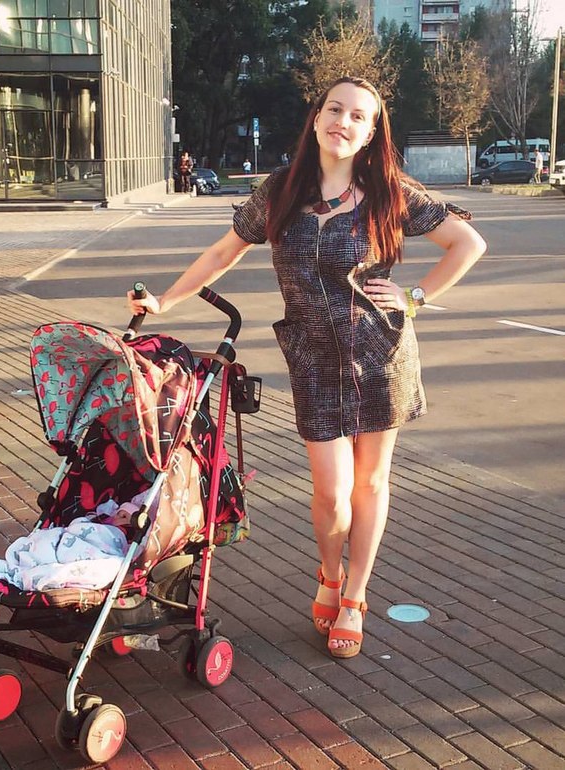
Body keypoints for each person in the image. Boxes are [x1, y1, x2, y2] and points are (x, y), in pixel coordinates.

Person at [128, 76, 487, 659]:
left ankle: (355, 597)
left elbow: (468, 243)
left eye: (358, 116)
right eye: (335, 109)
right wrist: (166, 301)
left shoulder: (389, 192)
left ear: (371, 133)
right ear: (317, 118)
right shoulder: (280, 191)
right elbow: (223, 251)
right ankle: (329, 572)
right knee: (331, 492)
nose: (343, 122)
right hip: (314, 362)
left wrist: (416, 296)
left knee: (370, 484)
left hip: (381, 357)